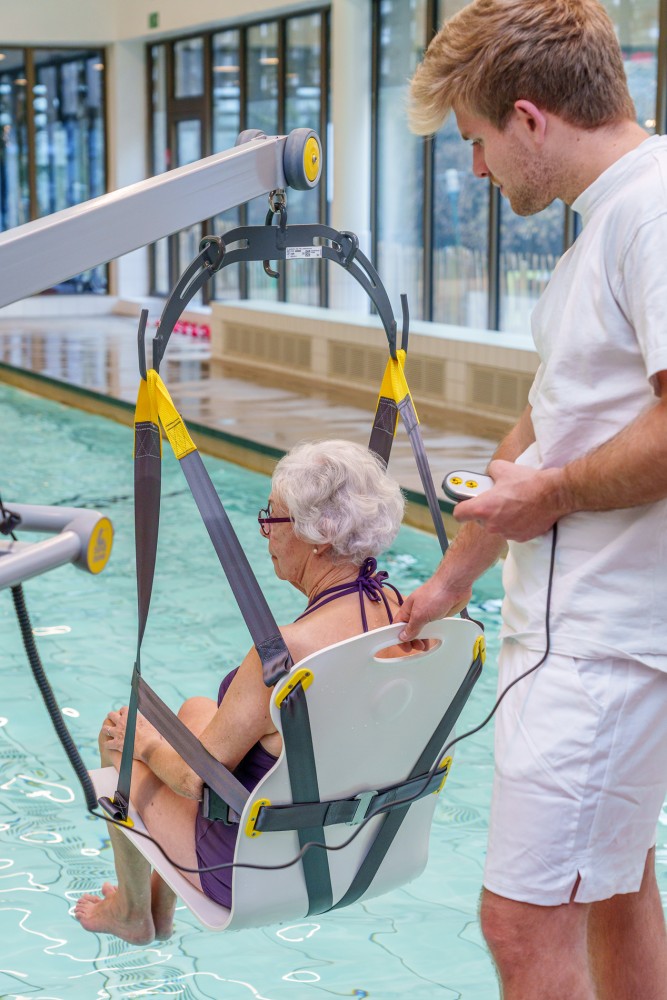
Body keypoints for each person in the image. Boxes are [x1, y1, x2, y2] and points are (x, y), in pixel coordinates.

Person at [395, 2, 667, 998]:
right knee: (614, 885)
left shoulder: (649, 214)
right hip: (592, 640)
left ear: (528, 118)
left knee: (521, 923)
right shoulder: (605, 228)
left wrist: (548, 497)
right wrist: (451, 579)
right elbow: (547, 422)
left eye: (475, 141)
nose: (475, 169)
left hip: (600, 647)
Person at [74, 439, 405, 943]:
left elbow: (194, 780)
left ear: (319, 537)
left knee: (121, 736)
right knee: (197, 709)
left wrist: (145, 745)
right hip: (360, 846)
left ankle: (131, 911)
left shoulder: (287, 654)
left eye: (273, 518)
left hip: (254, 863)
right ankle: (160, 901)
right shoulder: (404, 616)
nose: (265, 531)